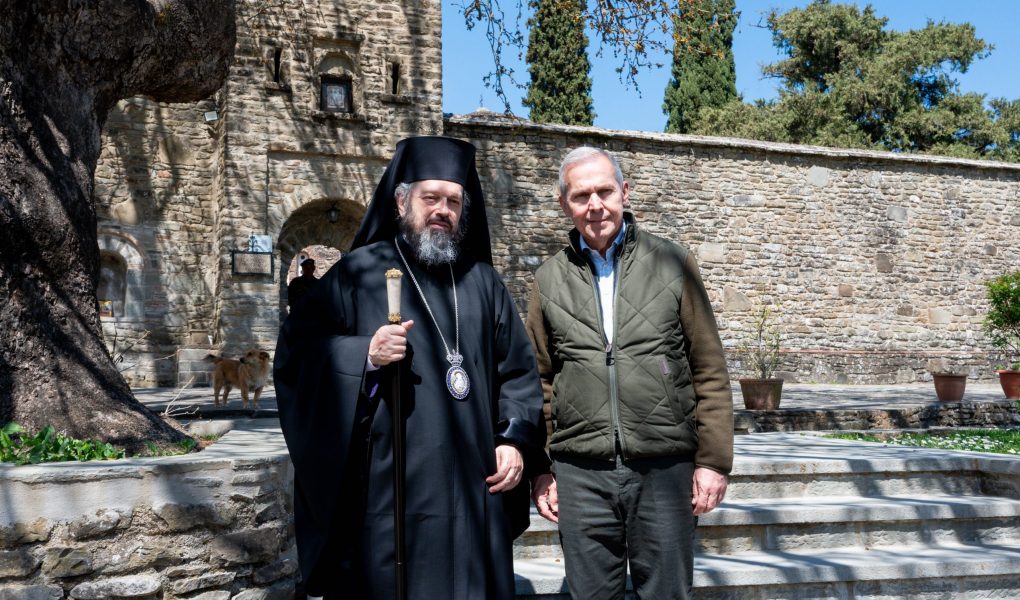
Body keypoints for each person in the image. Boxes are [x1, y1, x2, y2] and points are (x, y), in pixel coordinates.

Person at [274, 136, 549, 600]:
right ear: (402, 202)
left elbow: (518, 372)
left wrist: (514, 441)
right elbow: (297, 353)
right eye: (431, 198)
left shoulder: (484, 282)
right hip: (389, 491)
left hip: (475, 489)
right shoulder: (359, 272)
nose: (443, 210)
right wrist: (364, 353)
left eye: (453, 201)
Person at [526, 146, 734, 600]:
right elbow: (539, 379)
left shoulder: (672, 263)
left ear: (624, 192)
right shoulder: (549, 279)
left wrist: (713, 462)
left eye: (604, 191)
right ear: (564, 203)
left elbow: (708, 367)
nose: (595, 205)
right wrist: (541, 469)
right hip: (580, 472)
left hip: (663, 465)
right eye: (581, 196)